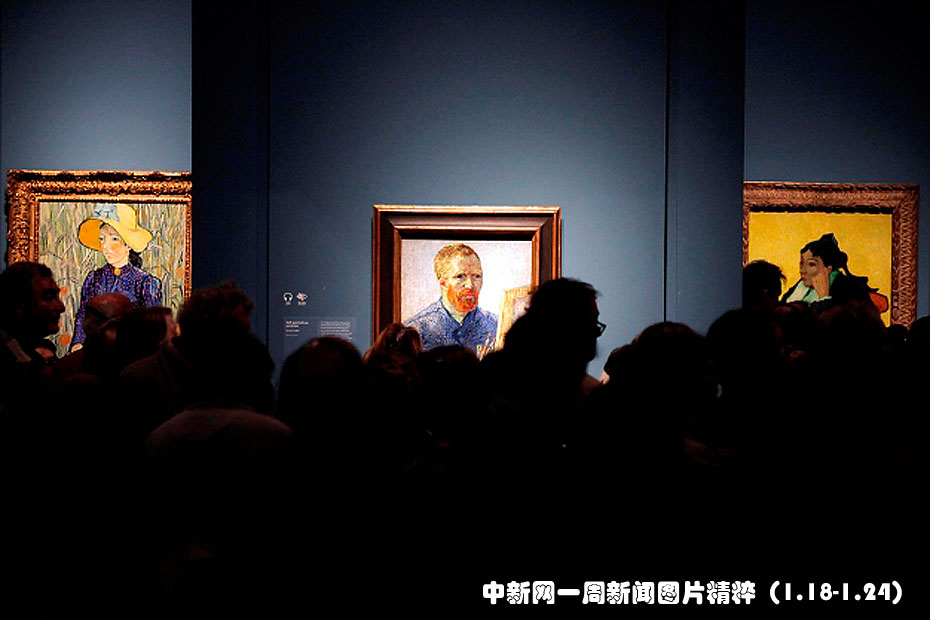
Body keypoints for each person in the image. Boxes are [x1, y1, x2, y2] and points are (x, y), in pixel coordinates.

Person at [71, 203, 163, 350]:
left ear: (128, 245)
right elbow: (83, 314)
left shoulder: (144, 282)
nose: (106, 246)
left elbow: (153, 325)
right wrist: (78, 343)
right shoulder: (94, 278)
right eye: (102, 239)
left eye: (114, 239)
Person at [404, 244, 498, 356]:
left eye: (476, 276)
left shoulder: (496, 326)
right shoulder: (417, 330)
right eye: (460, 276)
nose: (470, 285)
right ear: (443, 283)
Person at [781, 233, 887, 313]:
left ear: (828, 269)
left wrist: (824, 298)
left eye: (811, 265)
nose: (802, 270)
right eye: (801, 264)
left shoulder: (848, 290)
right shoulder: (800, 287)